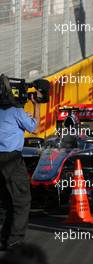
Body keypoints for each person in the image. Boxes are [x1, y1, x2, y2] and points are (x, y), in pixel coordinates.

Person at [0, 74, 40, 250]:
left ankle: (4, 238)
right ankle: (15, 240)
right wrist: (36, 105)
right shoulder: (16, 112)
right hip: (11, 159)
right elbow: (34, 127)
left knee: (4, 201)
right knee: (21, 200)